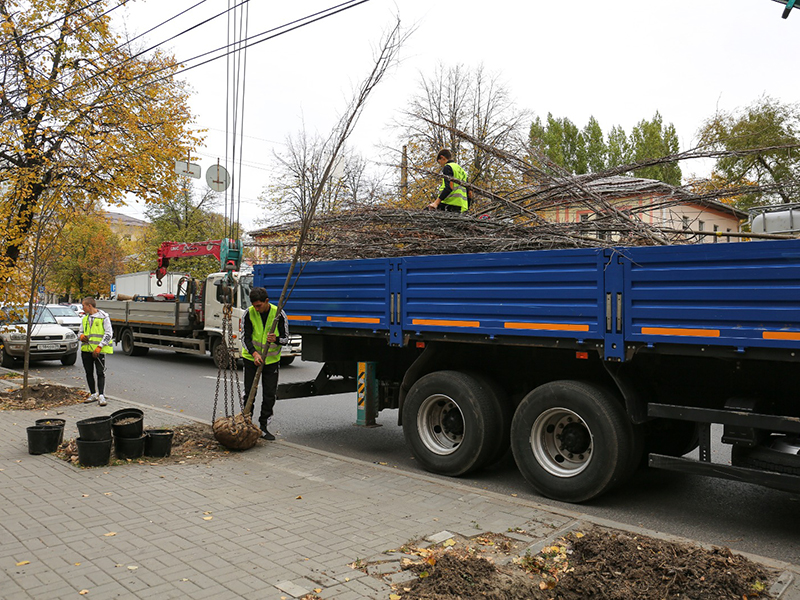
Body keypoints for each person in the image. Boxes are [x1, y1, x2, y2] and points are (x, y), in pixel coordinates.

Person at [242, 287, 288, 440]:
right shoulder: (248, 313)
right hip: (251, 360)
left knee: (269, 395)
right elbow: (245, 338)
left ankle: (263, 426)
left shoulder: (279, 314)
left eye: (259, 306)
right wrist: (254, 354)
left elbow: (286, 339)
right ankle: (246, 423)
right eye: (254, 305)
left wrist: (276, 339)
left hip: (271, 361)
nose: (256, 308)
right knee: (249, 393)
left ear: (266, 301)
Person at [79, 297, 113, 407]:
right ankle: (93, 393)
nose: (82, 307)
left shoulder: (104, 317)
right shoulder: (85, 318)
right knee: (89, 372)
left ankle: (101, 395)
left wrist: (99, 347)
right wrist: (81, 336)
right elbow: (80, 332)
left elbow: (108, 334)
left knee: (100, 372)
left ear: (89, 306)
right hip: (86, 350)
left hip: (98, 351)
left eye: (83, 305)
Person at [427, 148, 469, 213]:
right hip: (460, 205)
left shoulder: (448, 167)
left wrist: (436, 203)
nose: (440, 165)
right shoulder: (462, 170)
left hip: (449, 203)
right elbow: (470, 192)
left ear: (442, 157)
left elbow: (449, 187)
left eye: (439, 162)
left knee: (427, 212)